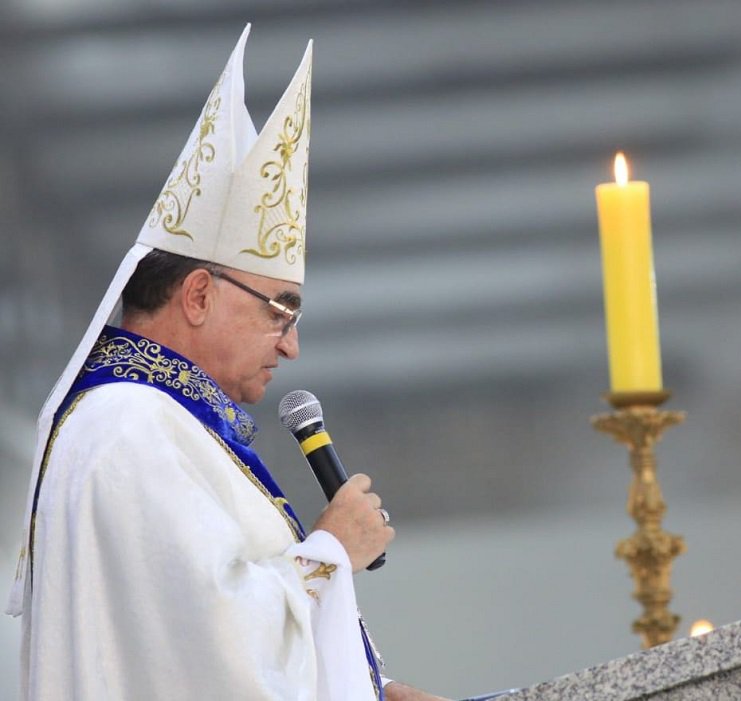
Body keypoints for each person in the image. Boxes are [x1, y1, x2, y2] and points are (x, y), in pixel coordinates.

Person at [7, 25, 447, 701]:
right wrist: (332, 551)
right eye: (281, 310)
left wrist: (372, 687)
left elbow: (175, 649)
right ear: (201, 293)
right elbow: (214, 647)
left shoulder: (154, 421)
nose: (291, 344)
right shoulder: (128, 425)